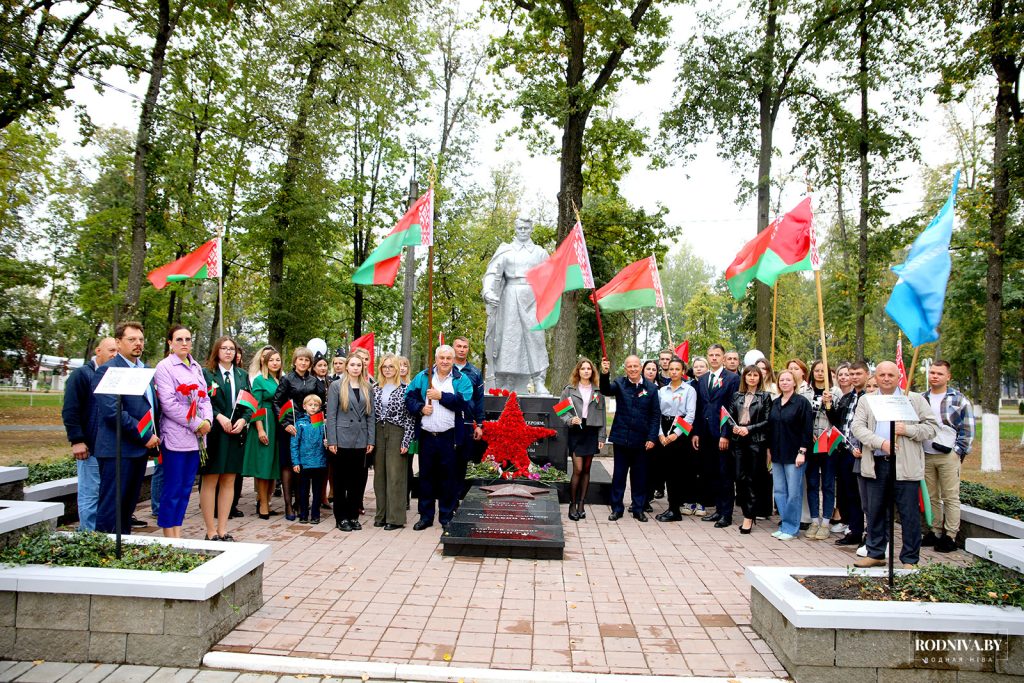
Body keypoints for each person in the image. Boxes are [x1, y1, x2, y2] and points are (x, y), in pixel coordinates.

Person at [852, 361, 938, 568]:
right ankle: (876, 552)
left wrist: (907, 430)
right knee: (875, 510)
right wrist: (880, 443)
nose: (886, 378)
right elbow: (857, 427)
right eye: (882, 375)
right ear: (876, 377)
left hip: (905, 465)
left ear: (898, 376)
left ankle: (910, 559)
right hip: (877, 462)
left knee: (908, 513)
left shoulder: (913, 399)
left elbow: (932, 427)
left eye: (891, 375)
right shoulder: (867, 400)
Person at [93, 322, 161, 535]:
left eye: (140, 339)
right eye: (132, 339)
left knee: (127, 507)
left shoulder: (143, 369)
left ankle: (122, 550)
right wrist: (145, 436)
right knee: (111, 506)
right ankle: (102, 551)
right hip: (117, 449)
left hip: (138, 450)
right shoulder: (109, 370)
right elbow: (113, 412)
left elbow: (148, 406)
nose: (138, 343)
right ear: (119, 342)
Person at [153, 325, 212, 538]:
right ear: (170, 342)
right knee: (173, 488)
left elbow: (205, 398)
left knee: (186, 488)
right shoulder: (164, 367)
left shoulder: (195, 366)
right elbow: (168, 404)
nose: (184, 343)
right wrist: (196, 423)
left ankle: (177, 530)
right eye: (179, 339)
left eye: (188, 338)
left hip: (196, 439)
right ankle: (169, 534)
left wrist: (207, 420)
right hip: (176, 437)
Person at [405, 345, 474, 531]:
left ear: (453, 360)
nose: (444, 361)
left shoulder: (461, 379)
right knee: (426, 477)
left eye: (448, 358)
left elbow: (464, 403)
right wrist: (420, 407)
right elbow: (408, 398)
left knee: (448, 478)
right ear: (435, 359)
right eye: (441, 358)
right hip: (427, 436)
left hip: (449, 436)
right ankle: (425, 517)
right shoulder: (423, 377)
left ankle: (446, 516)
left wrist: (440, 396)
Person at [481, 217, 550, 393]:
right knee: (508, 340)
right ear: (515, 228)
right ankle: (506, 380)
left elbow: (551, 277)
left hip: (533, 298)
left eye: (526, 228)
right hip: (509, 297)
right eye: (519, 228)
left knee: (536, 339)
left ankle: (538, 380)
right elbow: (492, 273)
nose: (523, 231)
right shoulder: (506, 250)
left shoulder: (540, 253)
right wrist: (488, 291)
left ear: (531, 228)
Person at [62, 337, 117, 531]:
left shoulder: (113, 376)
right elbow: (70, 410)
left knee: (105, 494)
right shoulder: (82, 375)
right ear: (98, 351)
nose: (114, 355)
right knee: (90, 493)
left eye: (117, 351)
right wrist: (77, 440)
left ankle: (102, 534)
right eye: (110, 350)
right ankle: (89, 536)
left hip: (109, 448)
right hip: (89, 446)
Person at [920, 360, 974, 553]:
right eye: (932, 372)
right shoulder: (921, 398)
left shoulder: (959, 400)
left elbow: (967, 429)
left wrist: (957, 452)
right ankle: (934, 531)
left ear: (948, 377)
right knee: (932, 496)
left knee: (950, 496)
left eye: (939, 373)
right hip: (926, 454)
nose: (934, 376)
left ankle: (950, 535)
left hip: (948, 455)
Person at [201, 335, 251, 542]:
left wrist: (244, 421)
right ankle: (210, 530)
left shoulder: (241, 374)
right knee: (211, 479)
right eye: (224, 348)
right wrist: (218, 416)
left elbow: (249, 403)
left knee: (229, 479)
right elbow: (202, 400)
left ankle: (223, 528)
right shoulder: (207, 374)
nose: (228, 352)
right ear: (216, 351)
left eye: (231, 349)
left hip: (235, 434)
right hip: (215, 433)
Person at [599, 355, 660, 522]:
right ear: (625, 369)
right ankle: (617, 508)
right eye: (629, 366)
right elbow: (605, 390)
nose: (633, 369)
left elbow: (655, 415)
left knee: (639, 477)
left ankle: (638, 509)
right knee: (619, 476)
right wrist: (604, 374)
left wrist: (652, 437)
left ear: (640, 367)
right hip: (621, 439)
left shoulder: (652, 389)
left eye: (635, 366)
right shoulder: (619, 383)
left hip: (642, 441)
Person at [326, 354, 375, 532]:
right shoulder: (337, 386)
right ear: (347, 367)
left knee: (358, 481)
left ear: (363, 368)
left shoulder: (367, 387)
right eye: (352, 364)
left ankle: (353, 515)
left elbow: (371, 415)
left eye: (359, 365)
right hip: (342, 439)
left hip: (361, 439)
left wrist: (371, 439)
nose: (356, 368)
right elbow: (330, 415)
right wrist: (332, 439)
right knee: (340, 481)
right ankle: (341, 517)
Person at [274, 346, 323, 521]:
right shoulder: (287, 379)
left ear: (310, 363)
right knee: (289, 464)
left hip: (309, 427)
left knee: (304, 465)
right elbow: (276, 402)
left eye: (307, 360)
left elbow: (320, 404)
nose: (303, 363)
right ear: (295, 361)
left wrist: (317, 427)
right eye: (300, 359)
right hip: (291, 426)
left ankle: (300, 502)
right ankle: (288, 504)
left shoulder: (314, 381)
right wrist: (285, 423)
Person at [693, 344, 740, 524]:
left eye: (717, 355)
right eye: (711, 355)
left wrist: (726, 434)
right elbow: (700, 407)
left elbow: (732, 408)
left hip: (722, 433)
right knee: (712, 473)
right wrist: (696, 432)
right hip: (705, 434)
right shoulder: (703, 379)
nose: (713, 358)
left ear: (723, 358)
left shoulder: (732, 379)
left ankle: (726, 514)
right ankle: (718, 509)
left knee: (724, 474)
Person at [826, 360, 870, 546]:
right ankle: (854, 529)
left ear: (866, 374)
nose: (854, 377)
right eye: (852, 374)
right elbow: (837, 422)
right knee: (848, 493)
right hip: (845, 452)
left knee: (863, 496)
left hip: (862, 452)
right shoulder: (847, 398)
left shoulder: (870, 398)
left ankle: (869, 533)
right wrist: (828, 406)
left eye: (858, 374)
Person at [766, 370, 813, 540]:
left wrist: (802, 452)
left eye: (788, 380)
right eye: (782, 380)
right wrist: (769, 450)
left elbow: (807, 430)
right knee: (779, 491)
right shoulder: (775, 402)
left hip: (795, 454)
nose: (785, 382)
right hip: (778, 453)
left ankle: (792, 527)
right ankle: (785, 524)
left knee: (794, 492)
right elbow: (771, 428)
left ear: (795, 383)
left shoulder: (802, 403)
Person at [559, 358, 607, 521]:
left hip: (591, 431)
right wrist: (570, 420)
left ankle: (581, 503)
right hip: (576, 430)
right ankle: (572, 503)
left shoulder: (598, 391)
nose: (586, 371)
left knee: (587, 469)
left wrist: (601, 436)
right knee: (578, 469)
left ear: (592, 372)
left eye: (589, 369)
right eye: (583, 368)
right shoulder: (569, 389)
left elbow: (602, 415)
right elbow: (561, 411)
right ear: (578, 371)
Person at [725, 365, 772, 533]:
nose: (752, 378)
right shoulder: (737, 395)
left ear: (760, 378)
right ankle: (747, 510)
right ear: (744, 377)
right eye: (749, 375)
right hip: (738, 441)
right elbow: (729, 416)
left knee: (752, 479)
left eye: (755, 375)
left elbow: (768, 420)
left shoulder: (765, 397)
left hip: (755, 442)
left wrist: (749, 429)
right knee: (739, 477)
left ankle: (748, 517)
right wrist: (734, 426)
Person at [373, 354, 415, 530]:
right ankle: (381, 515)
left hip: (397, 431)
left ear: (398, 368)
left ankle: (395, 518)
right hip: (378, 431)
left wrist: (406, 441)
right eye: (385, 366)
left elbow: (410, 419)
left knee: (395, 475)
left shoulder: (406, 389)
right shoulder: (374, 388)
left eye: (391, 366)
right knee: (379, 475)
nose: (388, 369)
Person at [653, 357, 697, 523]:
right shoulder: (662, 391)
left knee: (677, 473)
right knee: (666, 471)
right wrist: (660, 434)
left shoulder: (689, 390)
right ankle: (671, 507)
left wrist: (675, 435)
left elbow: (691, 415)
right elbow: (656, 413)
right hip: (664, 429)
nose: (674, 372)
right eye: (671, 369)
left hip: (680, 430)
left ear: (683, 371)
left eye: (677, 369)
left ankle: (675, 510)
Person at [242, 347, 281, 519]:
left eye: (278, 360)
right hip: (264, 421)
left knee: (272, 465)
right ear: (265, 362)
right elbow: (255, 406)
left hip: (277, 422)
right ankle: (262, 504)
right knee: (264, 466)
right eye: (271, 360)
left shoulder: (279, 380)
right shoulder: (259, 380)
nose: (275, 363)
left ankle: (268, 500)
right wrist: (260, 429)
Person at [804, 360, 841, 540]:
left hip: (828, 444)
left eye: (823, 371)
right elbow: (802, 417)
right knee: (811, 483)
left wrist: (829, 405)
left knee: (827, 483)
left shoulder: (835, 392)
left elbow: (839, 419)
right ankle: (814, 521)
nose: (819, 373)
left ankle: (826, 521)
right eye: (816, 370)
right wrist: (807, 434)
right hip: (811, 444)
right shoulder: (804, 392)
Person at [453, 336, 485, 478]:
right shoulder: (445, 368)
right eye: (458, 346)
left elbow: (479, 400)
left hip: (467, 423)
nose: (461, 349)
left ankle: (458, 498)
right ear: (453, 348)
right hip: (447, 422)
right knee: (445, 463)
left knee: (461, 463)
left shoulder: (475, 372)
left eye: (464, 347)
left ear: (468, 349)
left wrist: (479, 425)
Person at [292, 394, 327, 524]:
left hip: (319, 462)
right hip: (304, 463)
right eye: (310, 405)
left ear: (319, 407)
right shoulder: (300, 423)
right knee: (303, 490)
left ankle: (315, 515)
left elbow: (326, 439)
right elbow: (294, 443)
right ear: (304, 406)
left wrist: (327, 443)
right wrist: (295, 461)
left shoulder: (322, 423)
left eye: (316, 405)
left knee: (317, 490)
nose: (313, 407)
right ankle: (303, 514)